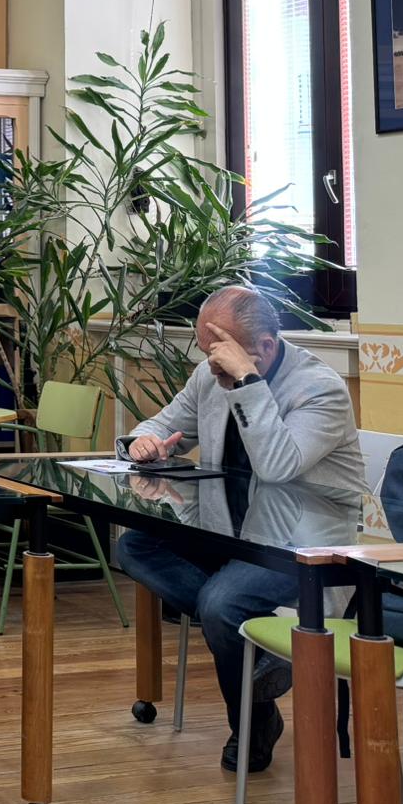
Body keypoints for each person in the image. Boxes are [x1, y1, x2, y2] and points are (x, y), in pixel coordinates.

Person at [114, 284, 365, 775]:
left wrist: (247, 381)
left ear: (264, 347)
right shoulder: (209, 375)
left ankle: (251, 723)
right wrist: (143, 443)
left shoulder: (319, 389)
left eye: (219, 353)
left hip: (305, 542)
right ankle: (260, 652)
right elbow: (158, 424)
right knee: (137, 547)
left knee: (221, 604)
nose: (210, 366)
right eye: (206, 352)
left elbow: (277, 467)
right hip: (229, 528)